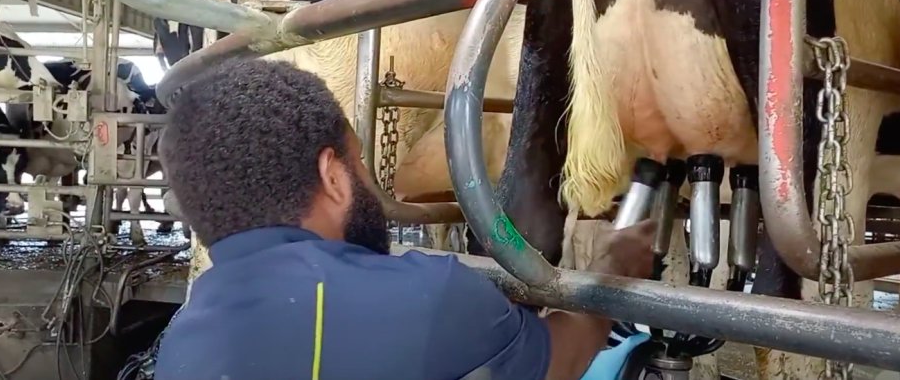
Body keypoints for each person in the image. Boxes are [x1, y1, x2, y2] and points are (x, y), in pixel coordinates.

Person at [153, 58, 660, 380]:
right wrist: (608, 273)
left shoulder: (184, 338)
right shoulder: (430, 296)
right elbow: (561, 358)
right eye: (360, 162)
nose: (370, 181)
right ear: (333, 176)